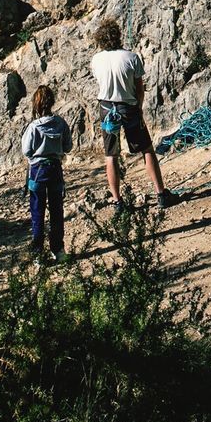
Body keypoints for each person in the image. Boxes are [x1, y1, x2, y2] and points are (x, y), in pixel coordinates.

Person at [90, 17, 178, 211]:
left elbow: (100, 81)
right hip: (129, 107)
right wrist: (138, 108)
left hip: (106, 109)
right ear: (118, 35)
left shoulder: (96, 60)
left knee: (110, 155)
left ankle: (117, 201)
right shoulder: (132, 57)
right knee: (146, 149)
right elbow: (139, 89)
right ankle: (161, 193)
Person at [21, 84, 73, 261]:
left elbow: (26, 150)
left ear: (36, 104)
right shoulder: (60, 123)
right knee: (57, 210)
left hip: (37, 171)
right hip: (55, 169)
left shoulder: (34, 127)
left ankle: (38, 254)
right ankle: (58, 250)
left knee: (37, 212)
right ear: (52, 102)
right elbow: (68, 146)